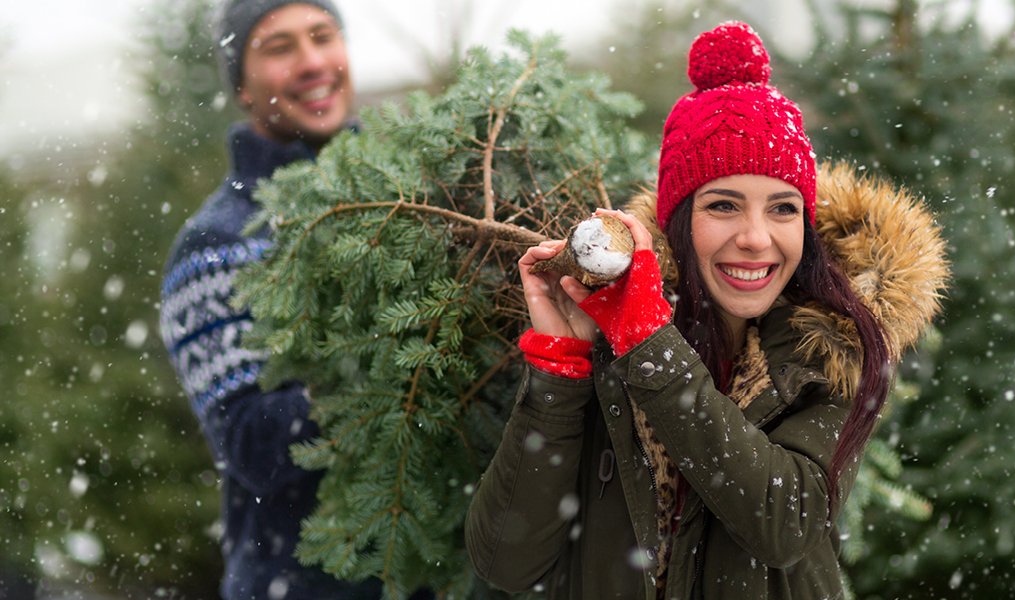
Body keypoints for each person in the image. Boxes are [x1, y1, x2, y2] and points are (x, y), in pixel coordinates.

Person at [465, 21, 948, 599]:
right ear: (678, 222)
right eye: (723, 205)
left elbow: (783, 523)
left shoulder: (834, 346)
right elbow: (505, 559)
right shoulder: (612, 334)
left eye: (782, 209)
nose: (755, 238)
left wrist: (650, 346)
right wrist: (559, 369)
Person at [159, 1, 385, 597]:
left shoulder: (413, 198)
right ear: (241, 86)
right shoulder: (216, 245)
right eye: (280, 47)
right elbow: (251, 445)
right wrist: (382, 356)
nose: (313, 62)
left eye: (322, 36)